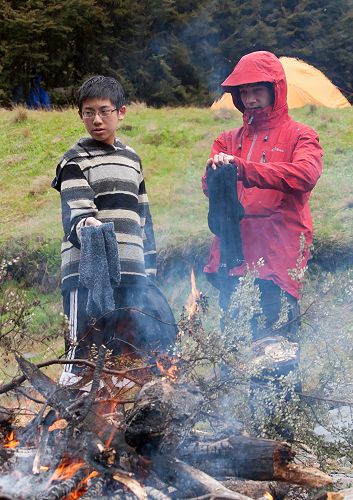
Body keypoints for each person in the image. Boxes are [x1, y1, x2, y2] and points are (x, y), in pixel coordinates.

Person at [52, 75, 177, 385]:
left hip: (130, 276)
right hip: (86, 276)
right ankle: (66, 420)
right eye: (88, 112)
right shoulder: (73, 160)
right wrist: (88, 223)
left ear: (121, 112)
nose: (96, 119)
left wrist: (149, 270)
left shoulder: (132, 159)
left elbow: (143, 219)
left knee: (124, 358)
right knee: (82, 354)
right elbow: (76, 213)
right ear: (80, 114)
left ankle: (116, 427)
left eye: (104, 111)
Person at [203, 51, 322, 340]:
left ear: (276, 90)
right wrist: (215, 174)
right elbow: (209, 188)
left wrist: (244, 168)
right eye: (244, 92)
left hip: (277, 261)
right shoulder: (227, 140)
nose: (250, 99)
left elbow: (305, 175)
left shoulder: (301, 135)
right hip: (233, 262)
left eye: (257, 90)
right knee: (233, 352)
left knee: (277, 355)